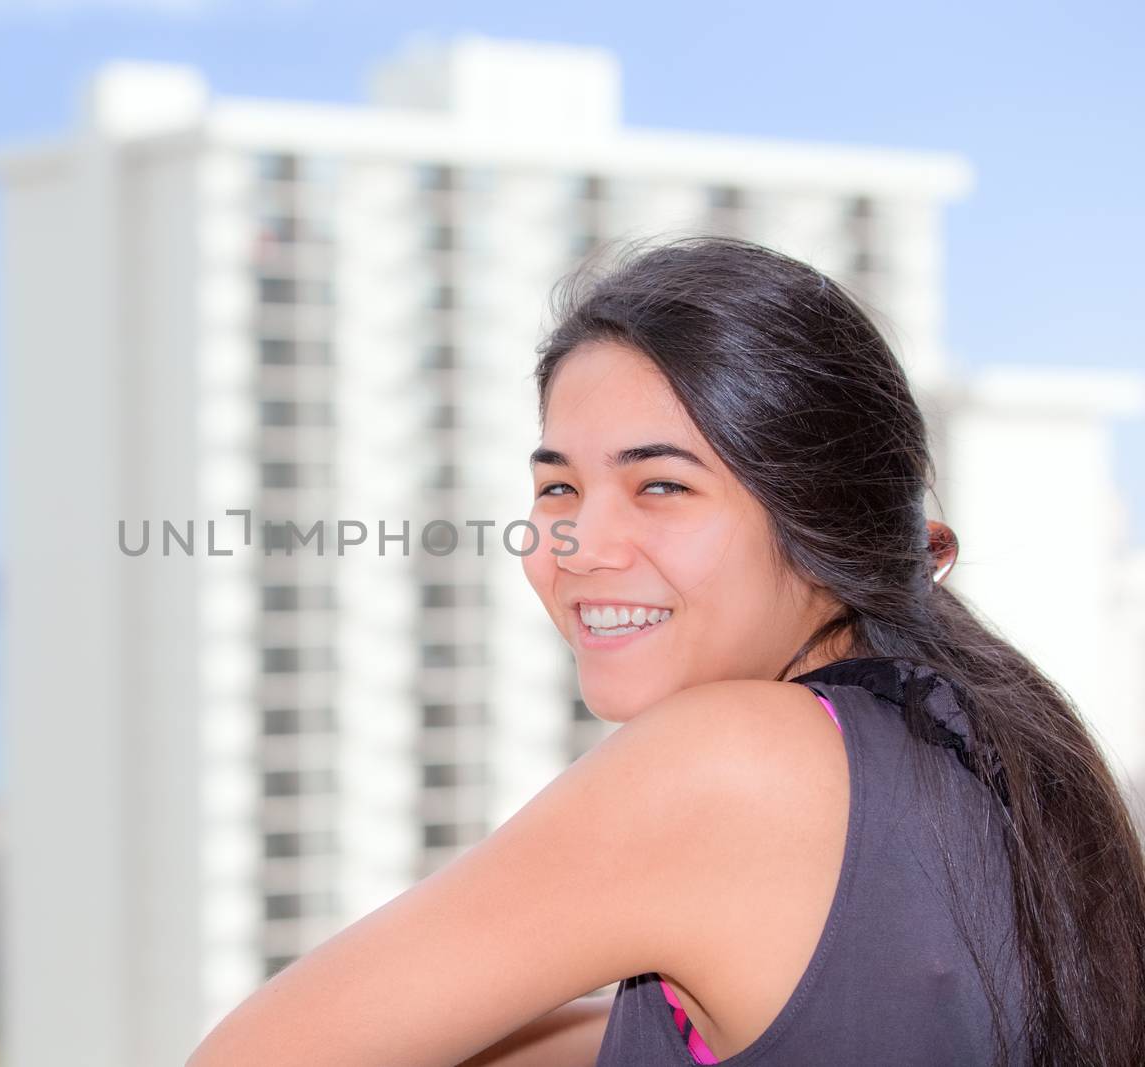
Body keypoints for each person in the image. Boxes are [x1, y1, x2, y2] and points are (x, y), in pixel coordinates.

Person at [187, 236, 1145, 1067]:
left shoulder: (727, 763)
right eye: (558, 488)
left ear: (822, 516)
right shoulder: (973, 754)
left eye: (661, 488)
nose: (578, 546)